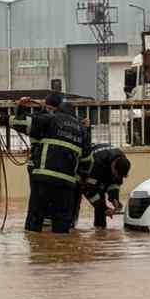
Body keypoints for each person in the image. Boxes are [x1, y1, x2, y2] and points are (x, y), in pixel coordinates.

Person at [8, 92, 90, 233]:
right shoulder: (82, 130)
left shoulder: (49, 119)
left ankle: (36, 249)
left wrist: (20, 107)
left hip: (43, 178)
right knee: (62, 227)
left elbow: (18, 122)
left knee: (35, 222)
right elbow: (87, 161)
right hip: (67, 184)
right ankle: (60, 251)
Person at [78, 144, 132, 229]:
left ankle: (100, 231)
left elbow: (115, 183)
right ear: (113, 166)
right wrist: (104, 208)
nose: (118, 177)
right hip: (81, 176)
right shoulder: (96, 164)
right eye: (117, 174)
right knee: (97, 201)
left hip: (100, 173)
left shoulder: (121, 160)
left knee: (101, 204)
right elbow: (88, 189)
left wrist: (114, 198)